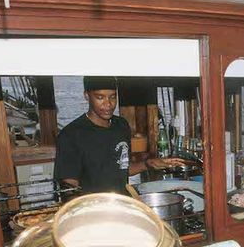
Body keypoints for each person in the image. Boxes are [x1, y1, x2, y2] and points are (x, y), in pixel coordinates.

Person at [54, 76, 183, 194]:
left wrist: (149, 164)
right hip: (93, 210)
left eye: (112, 96)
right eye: (100, 97)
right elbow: (69, 187)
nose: (108, 104)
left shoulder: (121, 125)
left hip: (121, 204)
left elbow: (122, 167)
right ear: (87, 96)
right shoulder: (71, 135)